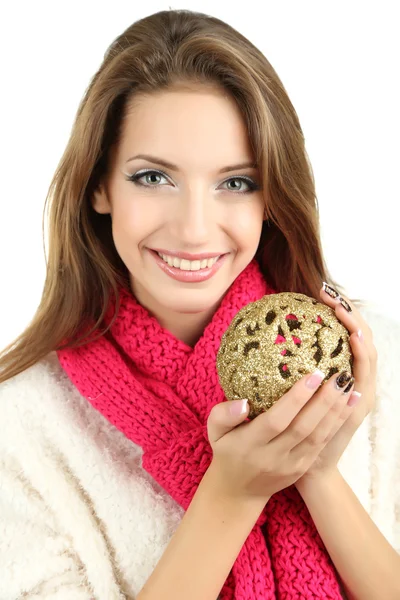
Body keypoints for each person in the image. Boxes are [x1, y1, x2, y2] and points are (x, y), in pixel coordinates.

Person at [0, 8, 399, 600]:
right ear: (99, 184)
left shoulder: (371, 357)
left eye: (235, 182)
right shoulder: (22, 425)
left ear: (271, 198)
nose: (193, 230)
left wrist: (316, 469)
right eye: (153, 178)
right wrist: (231, 494)